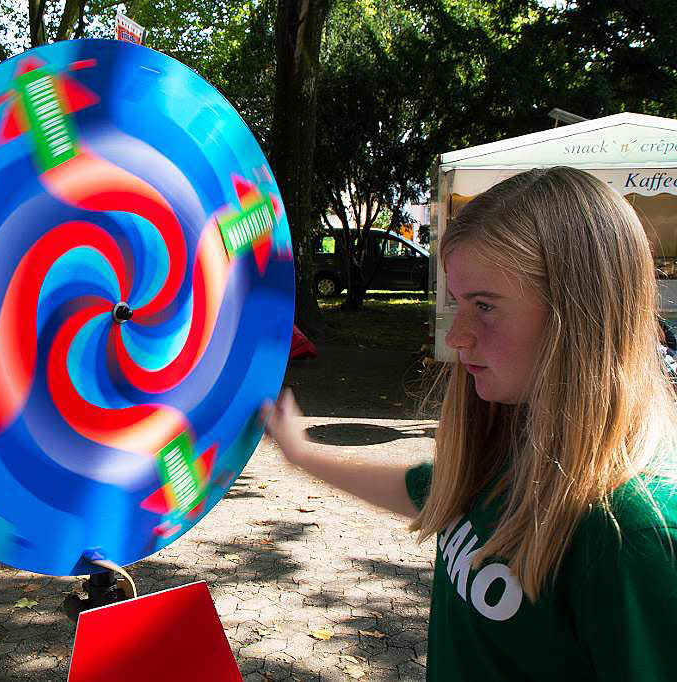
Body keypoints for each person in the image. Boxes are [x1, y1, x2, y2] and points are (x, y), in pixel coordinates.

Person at [263, 167, 677, 680]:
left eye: (484, 306)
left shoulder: (631, 531)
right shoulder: (512, 442)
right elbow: (427, 491)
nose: (456, 336)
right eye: (458, 302)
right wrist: (301, 454)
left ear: (580, 311)